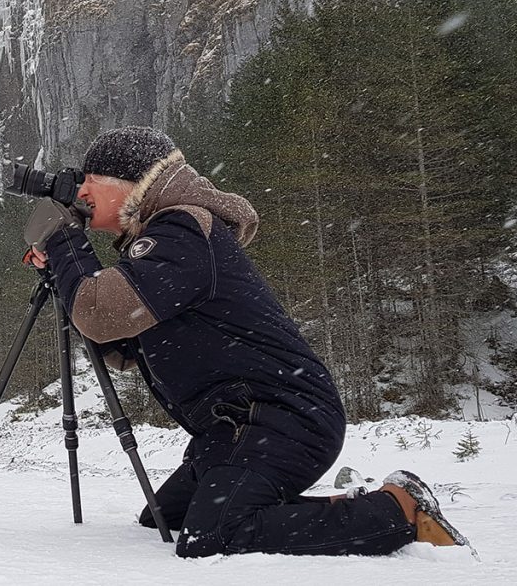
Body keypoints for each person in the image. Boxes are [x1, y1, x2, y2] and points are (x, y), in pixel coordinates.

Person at [23, 126, 468, 557]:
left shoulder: (183, 231)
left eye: (92, 182)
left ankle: (400, 511)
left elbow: (100, 315)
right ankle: (340, 507)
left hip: (285, 421)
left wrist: (65, 243)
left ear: (133, 184)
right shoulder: (164, 243)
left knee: (212, 535)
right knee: (165, 516)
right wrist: (63, 275)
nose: (81, 194)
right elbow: (118, 349)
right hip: (234, 426)